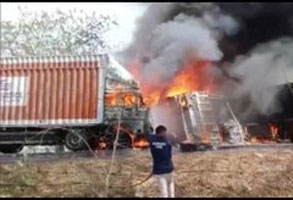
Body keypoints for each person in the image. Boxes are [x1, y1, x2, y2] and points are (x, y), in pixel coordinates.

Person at [149, 125, 175, 197]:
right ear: (162, 132)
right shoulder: (167, 141)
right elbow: (169, 155)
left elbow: (150, 136)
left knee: (163, 192)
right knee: (170, 190)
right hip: (168, 168)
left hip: (159, 170)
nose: (165, 134)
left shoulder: (152, 140)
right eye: (165, 132)